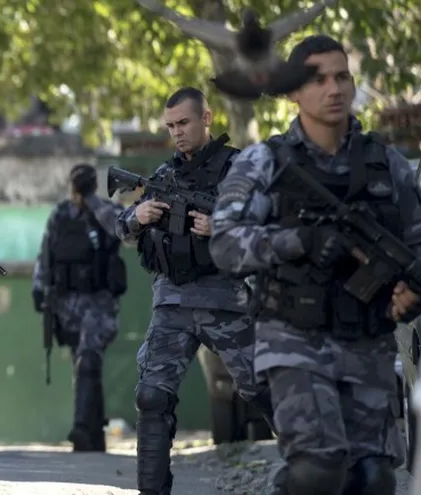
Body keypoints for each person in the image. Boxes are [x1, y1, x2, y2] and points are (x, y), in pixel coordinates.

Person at [209, 34, 421, 495]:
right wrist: (299, 240)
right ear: (292, 91)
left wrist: (414, 290)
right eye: (318, 79)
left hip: (367, 342)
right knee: (317, 472)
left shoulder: (387, 164)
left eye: (342, 77)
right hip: (293, 339)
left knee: (372, 479)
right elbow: (225, 245)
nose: (334, 89)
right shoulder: (264, 163)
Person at [116, 87, 275, 495]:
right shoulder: (164, 175)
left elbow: (269, 229)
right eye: (170, 126)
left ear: (207, 118)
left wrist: (221, 226)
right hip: (171, 301)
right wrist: (137, 215)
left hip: (225, 299)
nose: (177, 133)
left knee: (268, 391)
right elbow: (123, 231)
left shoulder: (238, 168)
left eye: (183, 123)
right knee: (152, 396)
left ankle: (315, 477)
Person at [32, 163, 127, 452]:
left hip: (98, 301)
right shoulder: (61, 214)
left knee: (88, 359)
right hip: (67, 302)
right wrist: (39, 288)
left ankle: (83, 428)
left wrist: (93, 202)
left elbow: (121, 228)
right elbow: (46, 252)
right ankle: (94, 432)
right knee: (84, 363)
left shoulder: (105, 211)